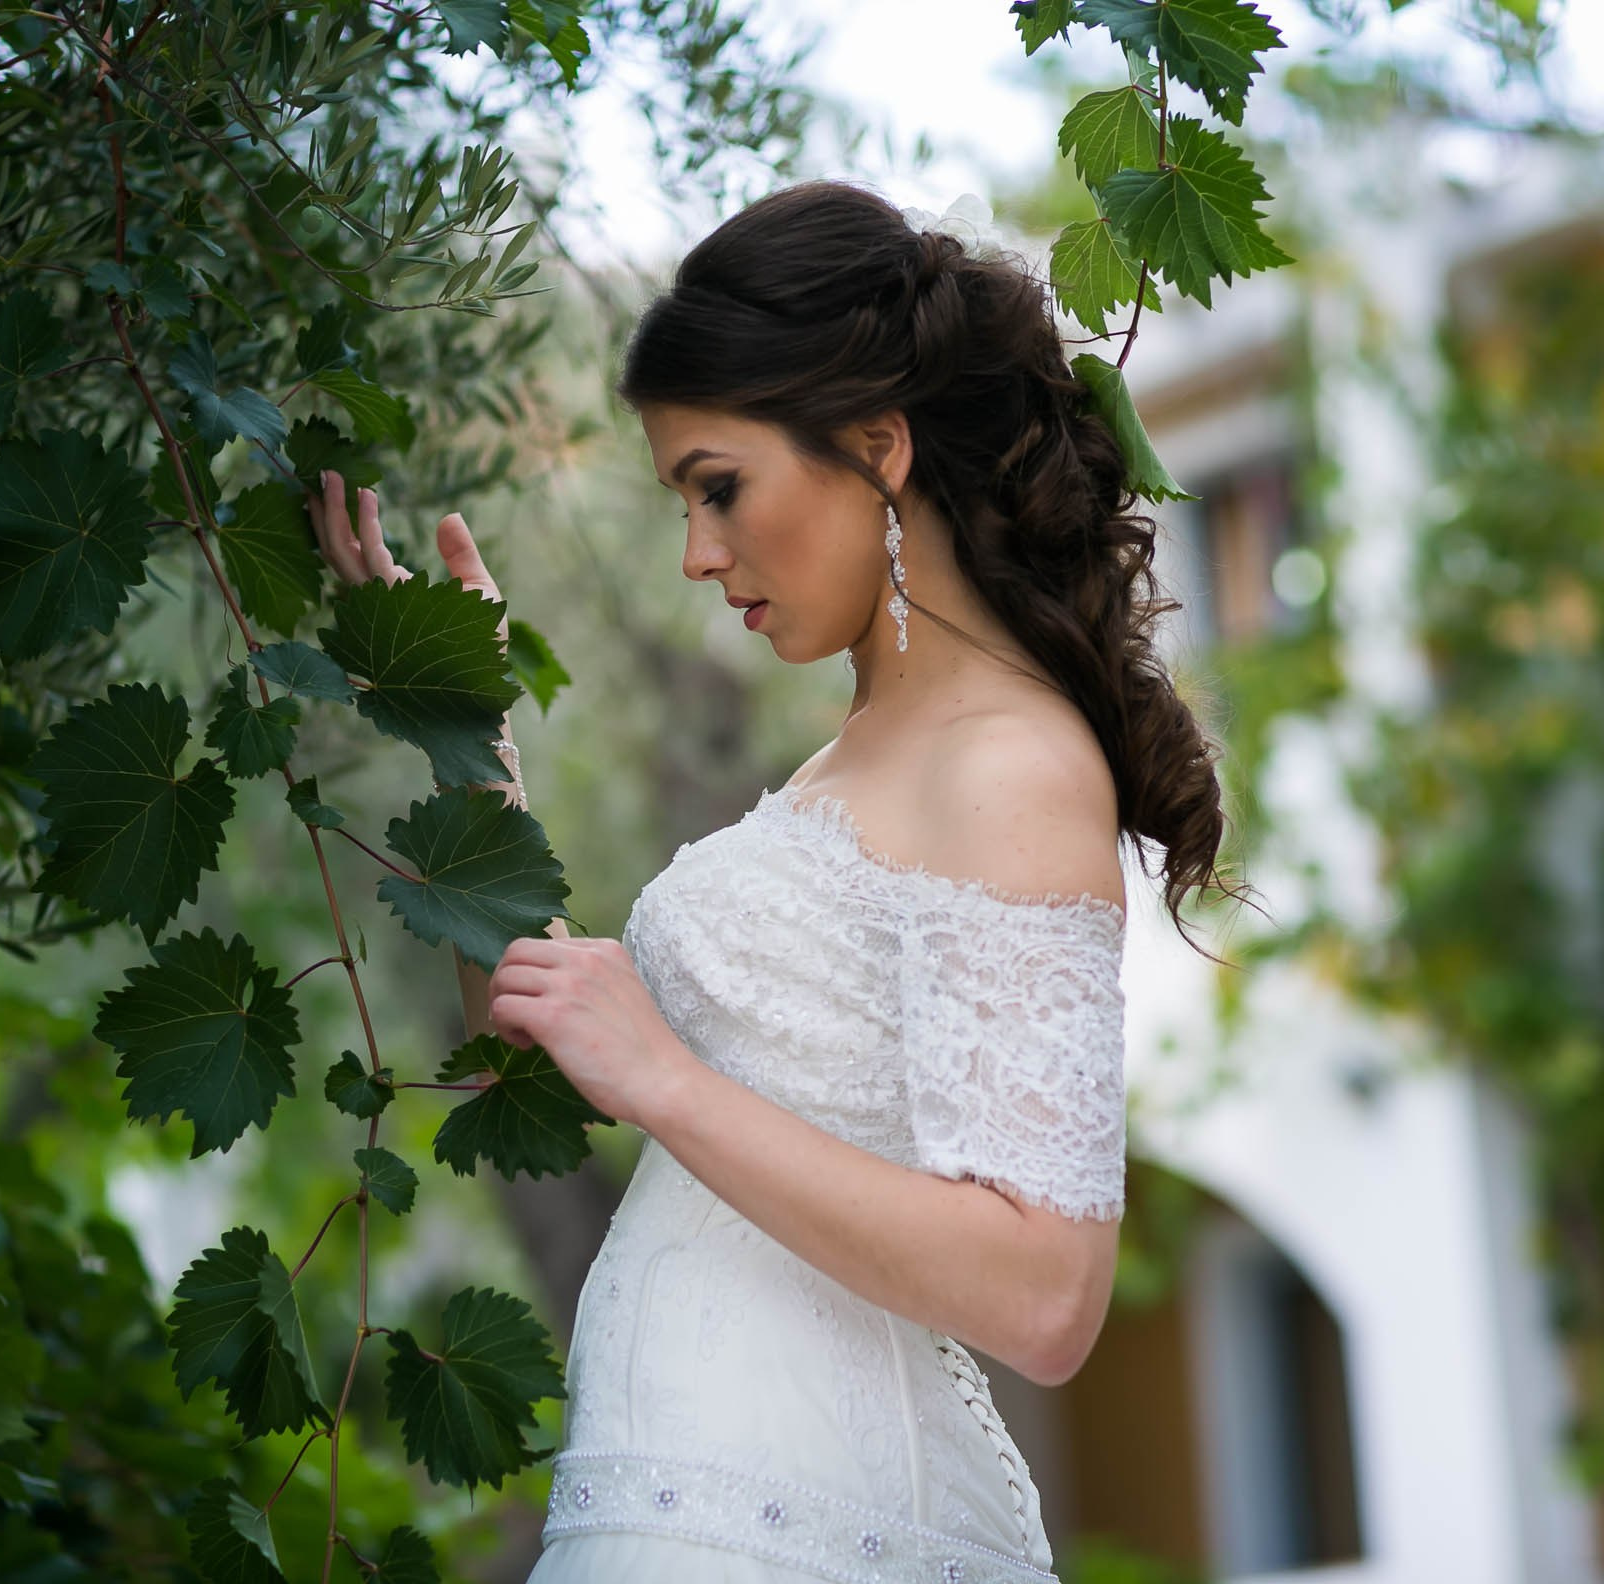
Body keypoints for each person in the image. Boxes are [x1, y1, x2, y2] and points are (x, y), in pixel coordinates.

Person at [307, 177, 1231, 1584]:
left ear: (878, 447)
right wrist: (461, 729)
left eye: (719, 488)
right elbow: (538, 1042)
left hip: (809, 1529)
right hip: (677, 1511)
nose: (696, 554)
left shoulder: (1010, 765)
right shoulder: (855, 764)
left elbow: (1047, 1294)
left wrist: (668, 1080)